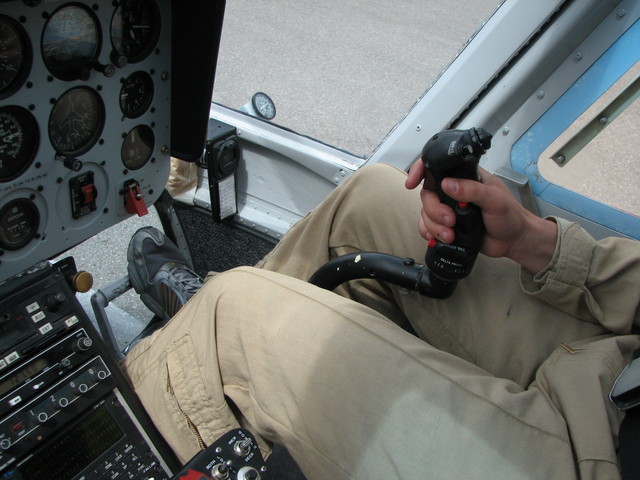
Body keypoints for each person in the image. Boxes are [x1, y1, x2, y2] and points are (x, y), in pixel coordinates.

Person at [121, 161, 640, 480]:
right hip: (615, 363)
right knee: (367, 197)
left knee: (233, 314)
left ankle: (182, 362)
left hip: (594, 456)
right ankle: (206, 357)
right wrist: (532, 240)